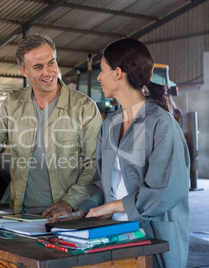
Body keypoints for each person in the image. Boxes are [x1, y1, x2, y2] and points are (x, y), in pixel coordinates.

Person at [52, 38, 190, 268]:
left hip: (153, 236)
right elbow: (103, 183)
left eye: (102, 70)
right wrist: (84, 211)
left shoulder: (161, 124)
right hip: (115, 235)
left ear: (118, 73)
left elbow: (165, 191)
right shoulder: (110, 125)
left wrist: (112, 207)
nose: (98, 77)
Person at [0, 34, 102, 218]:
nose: (48, 72)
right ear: (24, 71)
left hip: (66, 216)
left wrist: (69, 202)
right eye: (38, 67)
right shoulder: (13, 103)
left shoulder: (84, 107)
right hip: (21, 215)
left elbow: (93, 165)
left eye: (51, 63)